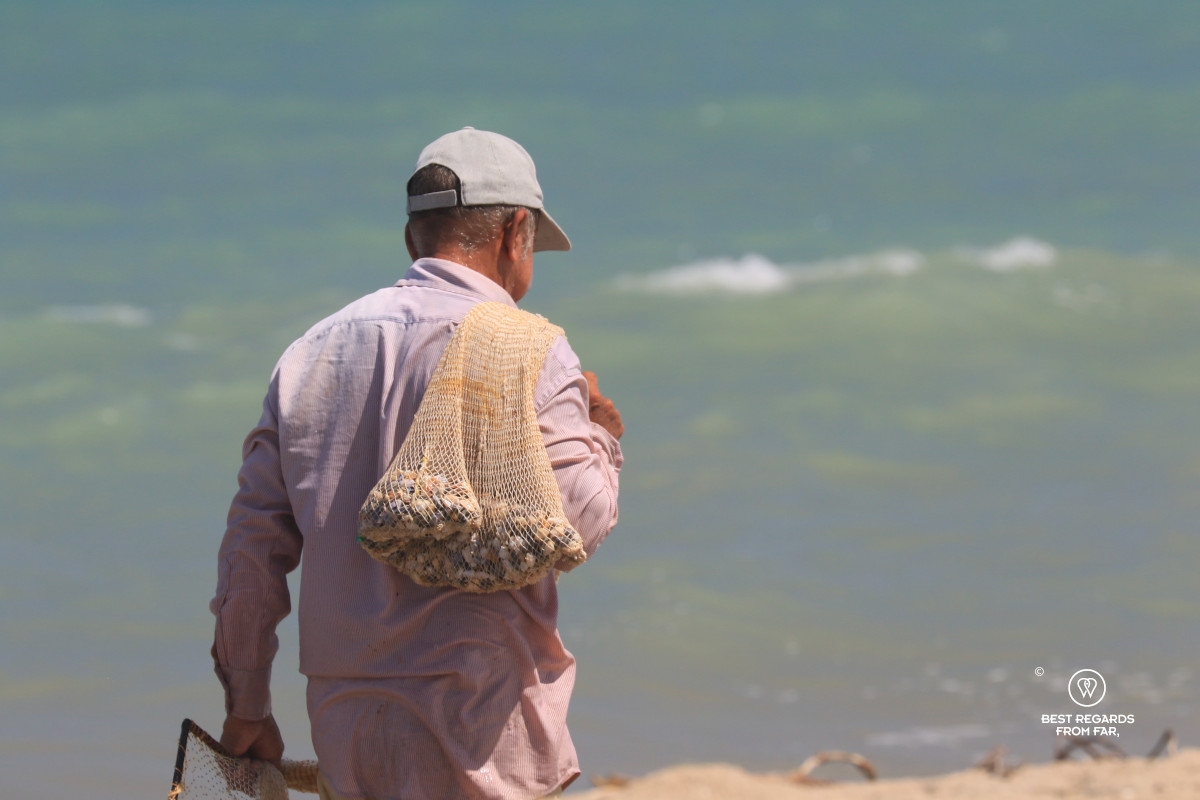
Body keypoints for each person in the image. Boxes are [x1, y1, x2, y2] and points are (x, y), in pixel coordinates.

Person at [210, 127, 624, 800]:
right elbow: (578, 522)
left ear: (413, 239)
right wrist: (603, 439)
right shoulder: (531, 349)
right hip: (482, 713)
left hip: (345, 713)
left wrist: (248, 703)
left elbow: (251, 552)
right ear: (514, 232)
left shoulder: (309, 354)